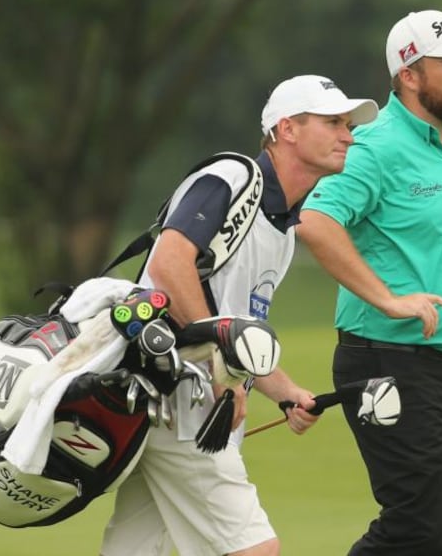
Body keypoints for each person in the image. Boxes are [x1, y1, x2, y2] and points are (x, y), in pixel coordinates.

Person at [100, 75, 379, 556]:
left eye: (348, 125)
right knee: (255, 550)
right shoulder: (233, 177)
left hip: (182, 406)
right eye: (333, 122)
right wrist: (221, 370)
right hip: (179, 401)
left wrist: (286, 391)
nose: (348, 135)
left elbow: (237, 329)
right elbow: (170, 262)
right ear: (287, 129)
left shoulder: (285, 228)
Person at [298, 10, 442, 556]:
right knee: (415, 528)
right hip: (388, 361)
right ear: (409, 74)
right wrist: (386, 298)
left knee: (436, 540)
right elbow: (316, 219)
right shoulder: (375, 145)